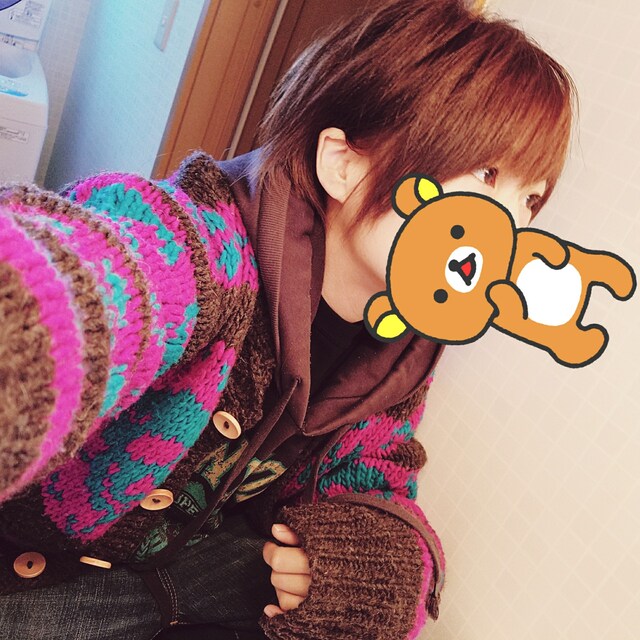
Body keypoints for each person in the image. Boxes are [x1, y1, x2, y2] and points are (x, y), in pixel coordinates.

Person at [0, 1, 575, 638]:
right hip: (39, 566)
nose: (511, 227)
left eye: (529, 198)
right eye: (487, 175)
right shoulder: (200, 250)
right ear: (345, 164)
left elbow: (373, 476)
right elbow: (98, 272)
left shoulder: (403, 347)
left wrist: (364, 570)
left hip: (183, 565)